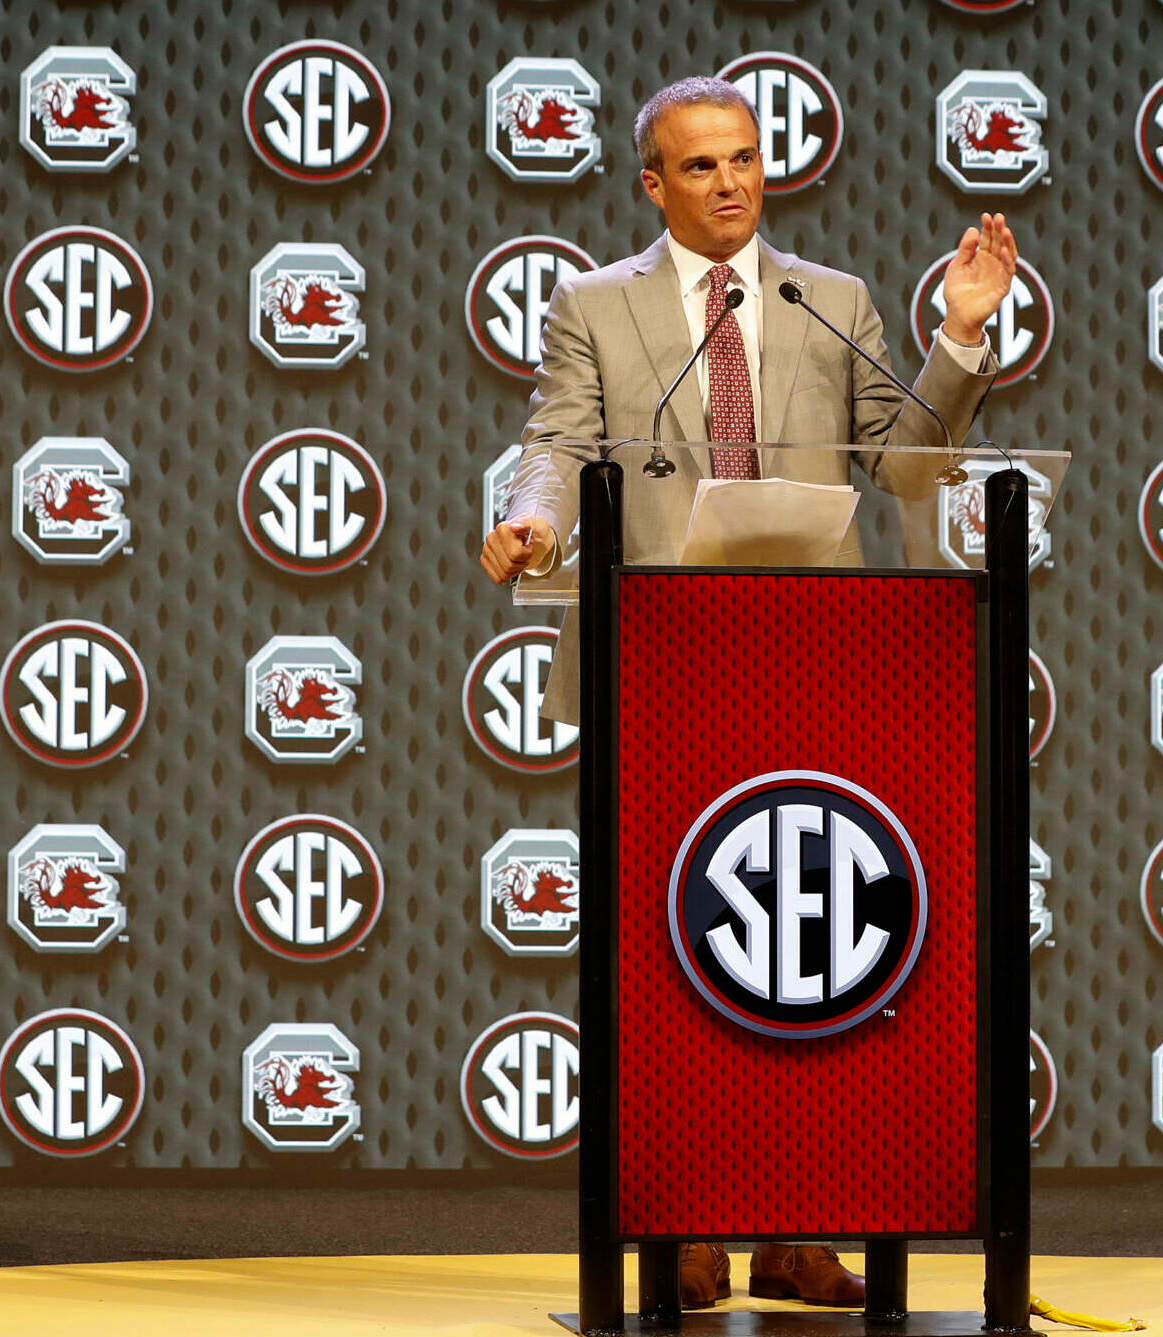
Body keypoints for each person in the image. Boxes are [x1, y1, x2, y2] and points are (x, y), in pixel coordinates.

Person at [477, 76, 1021, 1310]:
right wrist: (528, 519)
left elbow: (907, 463)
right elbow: (557, 440)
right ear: (653, 185)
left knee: (813, 957)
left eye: (745, 158)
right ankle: (678, 1224)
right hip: (659, 664)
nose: (731, 181)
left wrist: (960, 337)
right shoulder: (594, 306)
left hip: (814, 659)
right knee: (675, 956)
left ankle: (796, 1227)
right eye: (701, 165)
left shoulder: (826, 302)